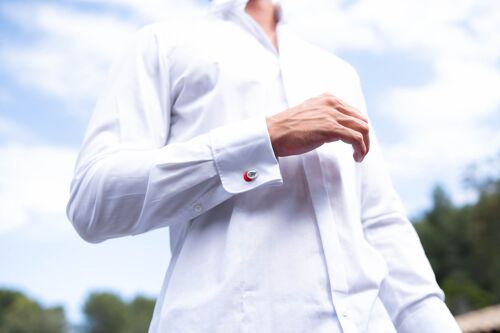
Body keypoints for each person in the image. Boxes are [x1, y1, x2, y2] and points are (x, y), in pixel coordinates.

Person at [66, 0, 462, 332]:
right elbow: (93, 203)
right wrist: (264, 138)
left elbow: (379, 221)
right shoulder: (161, 45)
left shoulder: (338, 72)